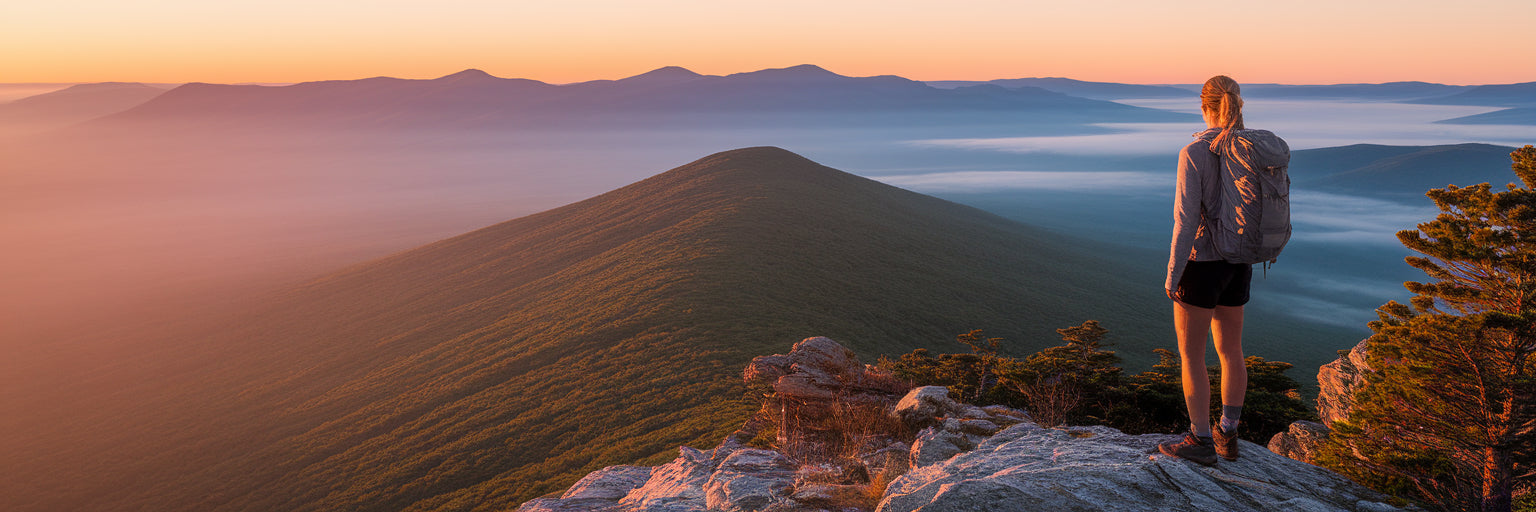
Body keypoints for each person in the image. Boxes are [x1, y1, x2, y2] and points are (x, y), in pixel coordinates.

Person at [1156, 75, 1252, 466]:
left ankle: (1198, 438)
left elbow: (1184, 219)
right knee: (1231, 351)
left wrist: (1173, 272)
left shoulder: (1194, 152)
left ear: (1204, 106)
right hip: (1240, 260)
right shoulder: (1249, 149)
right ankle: (1227, 434)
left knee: (1191, 354)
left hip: (1202, 264)